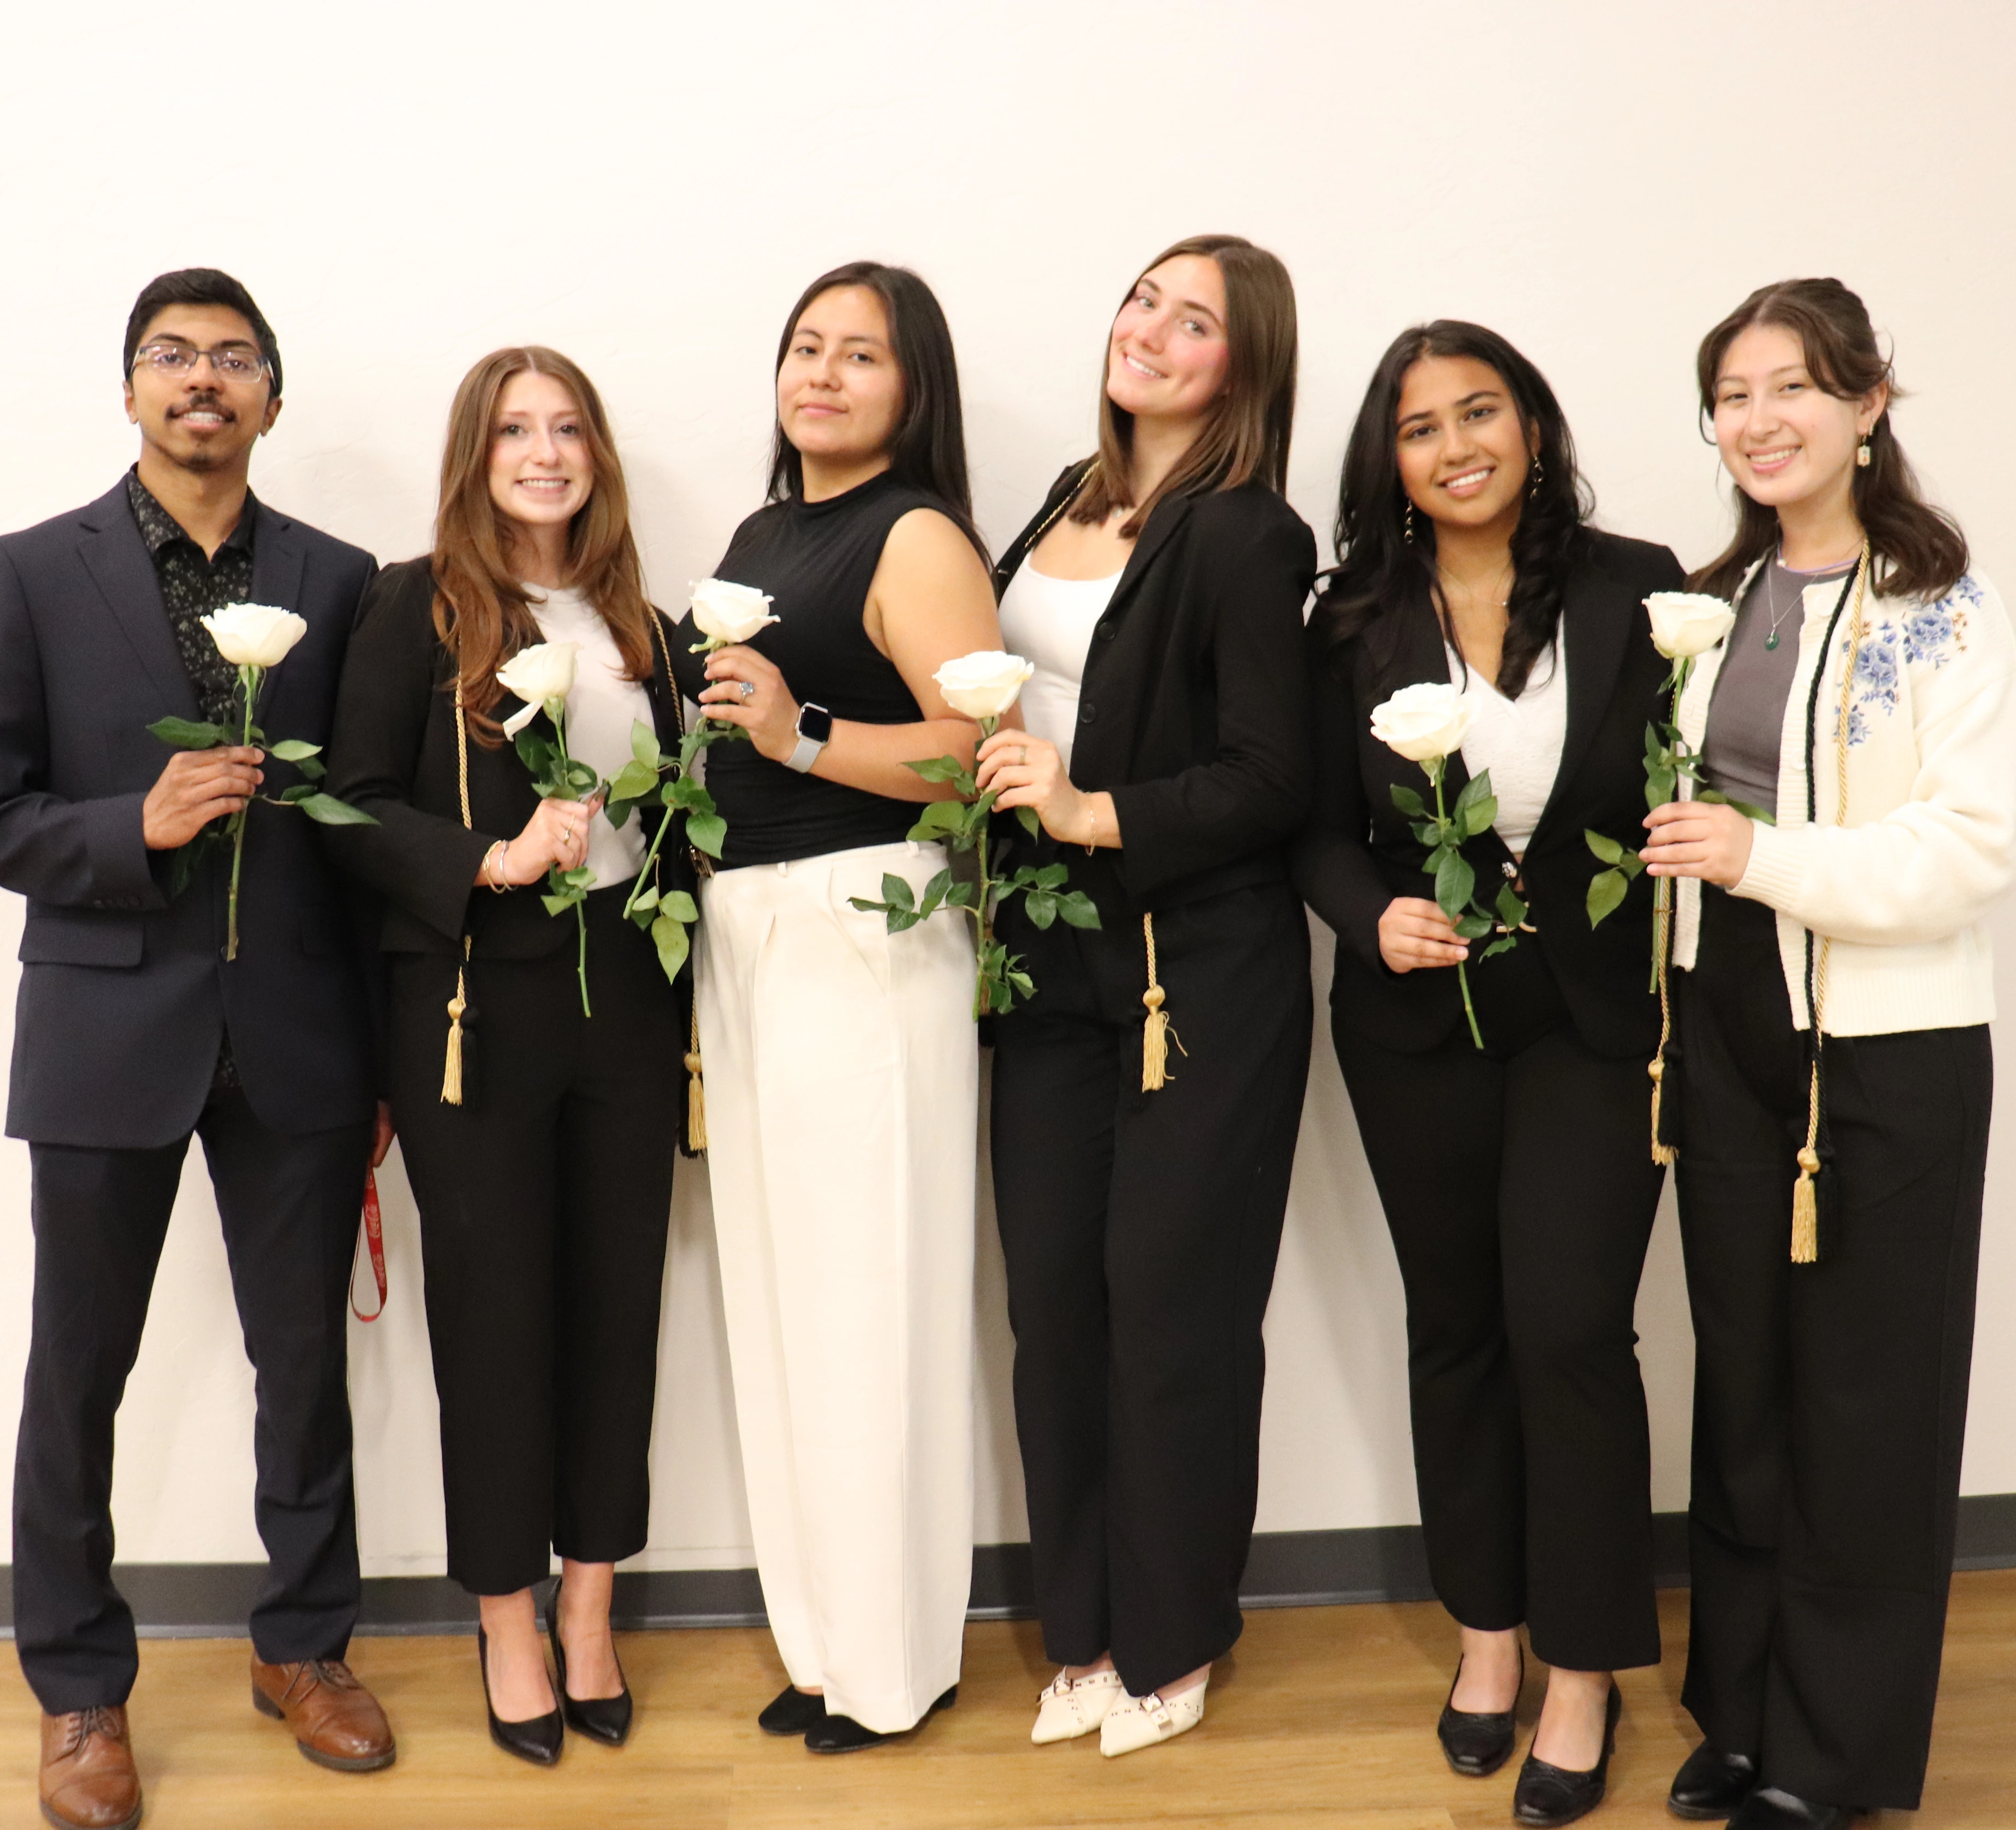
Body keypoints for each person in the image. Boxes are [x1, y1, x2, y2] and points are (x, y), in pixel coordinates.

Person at [0, 268, 393, 1830]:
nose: (204, 382)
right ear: (129, 390)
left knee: (303, 1368)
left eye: (235, 360)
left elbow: (369, 830)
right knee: (80, 1373)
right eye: (172, 358)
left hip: (301, 1037)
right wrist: (127, 826)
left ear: (275, 396)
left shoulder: (345, 584)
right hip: (102, 1025)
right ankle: (78, 1693)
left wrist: (387, 1056)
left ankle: (306, 1650)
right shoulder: (26, 574)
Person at [1640, 278, 2016, 1830]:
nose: (1759, 420)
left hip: (1887, 1045)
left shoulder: (1948, 606)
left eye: (1794, 386)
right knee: (1741, 1388)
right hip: (1726, 1025)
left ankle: (1836, 1754)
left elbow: (1975, 845)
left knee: (1867, 1403)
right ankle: (1738, 1713)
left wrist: (1760, 860)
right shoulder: (1709, 601)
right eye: (1732, 394)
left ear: (1871, 402)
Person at [1294, 321, 1683, 1825]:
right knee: (1456, 1326)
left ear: (1532, 425)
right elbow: (1316, 824)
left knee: (1570, 1327)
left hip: (1594, 1016)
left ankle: (1585, 1673)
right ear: (1386, 462)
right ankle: (1488, 1639)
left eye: (1482, 413)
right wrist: (1364, 911)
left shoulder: (1639, 584)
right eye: (1420, 428)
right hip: (1420, 1024)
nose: (1457, 445)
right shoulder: (1348, 621)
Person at [321, 347, 688, 1766]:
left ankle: (591, 1605)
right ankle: (508, 1622)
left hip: (627, 1006)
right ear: (476, 455)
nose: (545, 453)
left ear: (598, 452)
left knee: (616, 1308)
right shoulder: (413, 606)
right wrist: (486, 859)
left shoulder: (642, 624)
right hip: (472, 1014)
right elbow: (346, 810)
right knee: (493, 1320)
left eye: (569, 427)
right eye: (515, 431)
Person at [976, 234, 1315, 1758]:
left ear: (1240, 368)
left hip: (1201, 975)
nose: (1154, 334)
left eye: (1197, 324)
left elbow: (1269, 777)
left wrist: (1089, 808)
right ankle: (1089, 1629)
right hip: (1049, 964)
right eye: (1143, 303)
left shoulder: (1249, 534)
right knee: (1056, 1309)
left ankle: (1173, 1638)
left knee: (1171, 1312)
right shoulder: (1065, 493)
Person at [675, 261, 1005, 1753]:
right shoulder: (764, 531)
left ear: (910, 386)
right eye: (806, 348)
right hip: (752, 932)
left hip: (864, 925)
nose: (822, 374)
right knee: (786, 1302)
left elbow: (970, 755)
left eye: (859, 355)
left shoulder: (916, 530)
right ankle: (824, 1644)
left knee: (871, 1296)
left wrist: (799, 731)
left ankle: (893, 1661)